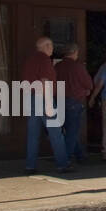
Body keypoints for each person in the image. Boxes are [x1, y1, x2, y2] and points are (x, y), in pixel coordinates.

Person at [21, 37, 72, 175]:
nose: (52, 49)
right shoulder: (44, 60)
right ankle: (62, 164)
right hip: (43, 98)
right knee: (56, 132)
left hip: (31, 98)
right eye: (51, 46)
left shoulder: (30, 60)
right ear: (46, 46)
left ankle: (30, 166)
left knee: (33, 134)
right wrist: (49, 102)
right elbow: (45, 81)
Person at [55, 44, 93, 165]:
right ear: (75, 52)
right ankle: (64, 159)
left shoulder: (57, 66)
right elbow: (88, 84)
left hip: (58, 101)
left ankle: (79, 154)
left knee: (69, 129)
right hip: (73, 101)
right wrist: (85, 91)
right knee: (72, 131)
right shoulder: (78, 66)